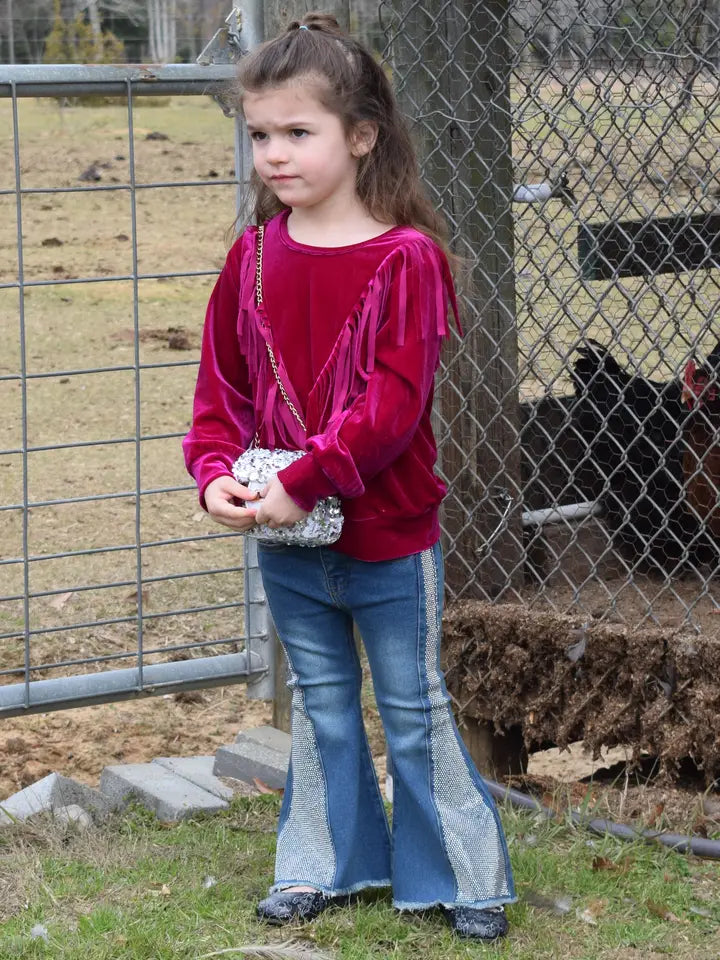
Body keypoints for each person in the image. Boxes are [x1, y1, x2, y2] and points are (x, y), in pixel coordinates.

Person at [183, 12, 515, 942]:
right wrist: (214, 476)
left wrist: (307, 478)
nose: (274, 155)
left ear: (362, 135)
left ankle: (466, 881)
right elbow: (219, 395)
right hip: (285, 539)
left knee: (412, 709)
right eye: (260, 135)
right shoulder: (252, 259)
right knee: (322, 706)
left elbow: (391, 409)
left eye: (299, 132)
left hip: (388, 540)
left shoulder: (407, 261)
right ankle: (323, 864)